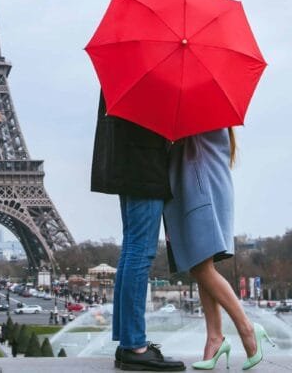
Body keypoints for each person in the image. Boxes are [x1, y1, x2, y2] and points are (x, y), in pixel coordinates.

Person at [164, 128, 273, 371]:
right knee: (200, 266)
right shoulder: (212, 119)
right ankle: (215, 338)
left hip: (201, 192)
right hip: (206, 188)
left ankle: (246, 328)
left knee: (202, 269)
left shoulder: (198, 117)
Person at [91, 92, 185, 372]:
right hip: (143, 164)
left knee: (132, 249)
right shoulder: (152, 75)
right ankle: (134, 345)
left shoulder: (127, 70)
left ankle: (129, 343)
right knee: (140, 251)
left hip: (130, 161)